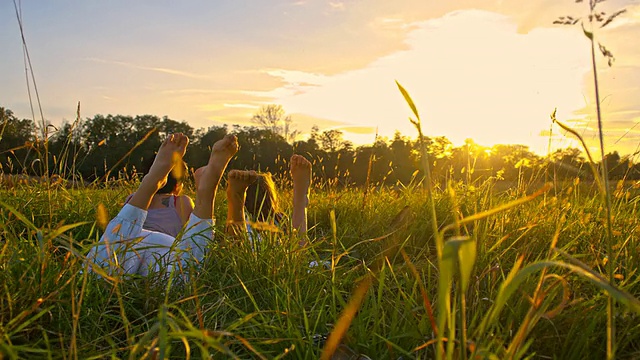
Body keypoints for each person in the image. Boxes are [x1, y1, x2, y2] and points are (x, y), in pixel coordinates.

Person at [86, 133, 238, 276]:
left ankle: (151, 182)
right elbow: (190, 236)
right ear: (178, 185)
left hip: (129, 243)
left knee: (99, 272)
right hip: (165, 249)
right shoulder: (180, 201)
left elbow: (120, 229)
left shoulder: (132, 198)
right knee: (184, 274)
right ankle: (206, 193)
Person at [223, 154, 312, 246]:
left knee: (237, 243)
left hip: (247, 251)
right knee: (297, 245)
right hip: (282, 255)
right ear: (270, 195)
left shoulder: (279, 218)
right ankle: (300, 201)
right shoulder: (280, 219)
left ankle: (237, 206)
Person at [123, 157, 193, 238]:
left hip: (131, 249)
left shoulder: (132, 199)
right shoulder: (182, 202)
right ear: (177, 185)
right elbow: (193, 238)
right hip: (167, 249)